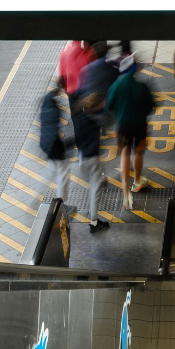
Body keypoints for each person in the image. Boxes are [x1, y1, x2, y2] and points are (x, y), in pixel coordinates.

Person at [71, 42, 116, 234]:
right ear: (96, 105)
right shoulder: (93, 120)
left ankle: (94, 218)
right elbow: (106, 118)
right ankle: (94, 221)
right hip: (91, 158)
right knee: (95, 189)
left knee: (96, 182)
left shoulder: (81, 115)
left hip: (83, 157)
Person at [105, 54, 155, 210]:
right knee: (138, 152)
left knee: (125, 153)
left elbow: (109, 106)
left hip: (123, 126)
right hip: (140, 125)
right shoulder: (142, 86)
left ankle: (126, 193)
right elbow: (150, 108)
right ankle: (137, 181)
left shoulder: (116, 85)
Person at [39, 80, 73, 213]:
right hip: (53, 145)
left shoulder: (47, 100)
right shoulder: (54, 107)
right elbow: (54, 129)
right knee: (63, 175)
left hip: (45, 143)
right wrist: (68, 143)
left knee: (53, 170)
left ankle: (38, 193)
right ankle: (63, 206)